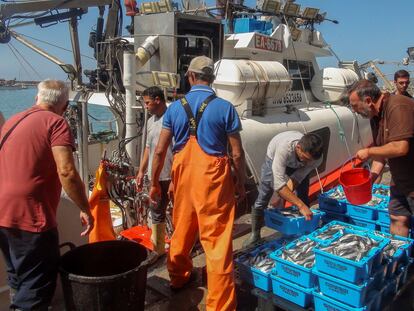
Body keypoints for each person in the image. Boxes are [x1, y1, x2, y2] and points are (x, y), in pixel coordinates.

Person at [149, 56, 246, 310]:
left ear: (190, 77)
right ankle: (220, 304)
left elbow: (159, 152)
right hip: (213, 177)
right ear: (211, 79)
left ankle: (178, 277)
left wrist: (154, 183)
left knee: (182, 227)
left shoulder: (173, 108)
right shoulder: (225, 107)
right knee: (216, 241)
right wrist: (240, 182)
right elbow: (236, 153)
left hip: (183, 175)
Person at [0, 80, 94, 310]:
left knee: (17, 278)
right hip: (31, 218)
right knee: (36, 288)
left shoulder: (12, 121)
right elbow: (67, 172)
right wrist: (85, 208)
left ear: (37, 98)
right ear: (64, 105)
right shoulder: (56, 122)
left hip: (3, 215)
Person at [349, 79, 414, 237]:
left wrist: (369, 152)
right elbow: (382, 153)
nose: (355, 111)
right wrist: (370, 179)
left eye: (355, 106)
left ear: (368, 101)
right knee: (397, 217)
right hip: (400, 180)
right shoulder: (374, 117)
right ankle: (400, 256)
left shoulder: (397, 106)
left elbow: (401, 147)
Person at [244, 131, 324, 246]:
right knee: (264, 194)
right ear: (298, 148)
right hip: (274, 158)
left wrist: (288, 198)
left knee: (302, 193)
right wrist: (299, 205)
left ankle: (304, 227)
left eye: (310, 160)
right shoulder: (284, 149)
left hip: (296, 165)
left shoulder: (315, 159)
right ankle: (255, 234)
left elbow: (297, 177)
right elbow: (278, 184)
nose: (307, 162)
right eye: (305, 158)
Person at [135, 86, 173, 257]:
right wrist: (142, 171)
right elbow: (148, 149)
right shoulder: (150, 122)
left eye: (148, 103)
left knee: (178, 212)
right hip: (154, 178)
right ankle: (158, 250)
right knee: (156, 212)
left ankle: (181, 248)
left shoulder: (174, 116)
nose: (146, 106)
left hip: (171, 176)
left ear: (158, 100)